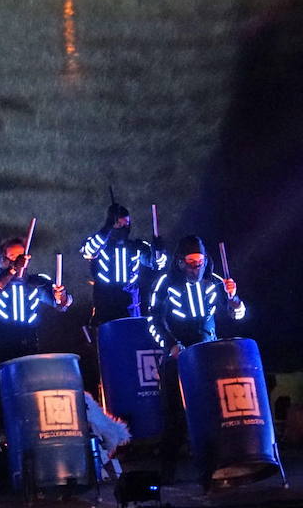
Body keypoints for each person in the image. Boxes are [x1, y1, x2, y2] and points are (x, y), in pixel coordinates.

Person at [0, 236, 72, 485]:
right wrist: (11, 271)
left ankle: (40, 466)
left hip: (29, 355)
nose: (21, 260)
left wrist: (61, 295)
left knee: (34, 411)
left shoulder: (36, 283)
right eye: (14, 256)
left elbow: (62, 303)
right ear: (3, 259)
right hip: (2, 357)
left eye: (23, 255)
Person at [147, 235, 246, 483]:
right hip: (177, 355)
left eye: (199, 262)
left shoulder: (216, 282)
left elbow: (238, 315)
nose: (195, 267)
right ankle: (167, 474)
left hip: (209, 356)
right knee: (176, 416)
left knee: (214, 413)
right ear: (180, 262)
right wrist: (170, 346)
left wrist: (234, 298)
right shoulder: (165, 283)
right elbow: (153, 320)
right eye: (190, 262)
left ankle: (217, 468)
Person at [79, 201, 167, 326]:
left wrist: (159, 250)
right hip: (105, 305)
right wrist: (106, 228)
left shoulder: (136, 247)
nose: (123, 227)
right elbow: (88, 251)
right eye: (118, 224)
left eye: (126, 224)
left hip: (130, 306)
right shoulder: (99, 245)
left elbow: (158, 263)